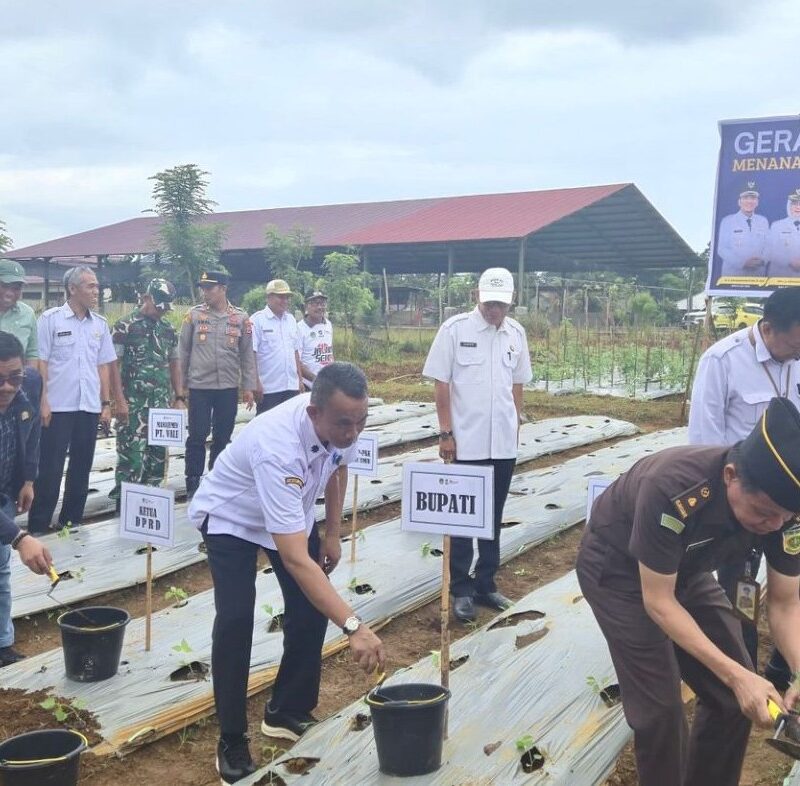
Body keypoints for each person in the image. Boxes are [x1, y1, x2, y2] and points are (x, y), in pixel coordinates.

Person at [577, 398, 800, 786]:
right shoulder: (673, 486)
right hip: (619, 573)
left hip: (686, 570)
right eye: (764, 512)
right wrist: (735, 675)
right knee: (661, 710)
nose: (774, 524)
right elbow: (659, 602)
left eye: (785, 516)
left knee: (736, 697)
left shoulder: (783, 513)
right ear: (731, 475)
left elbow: (785, 602)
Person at [188, 362, 385, 785]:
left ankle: (286, 710)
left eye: (360, 422)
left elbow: (337, 467)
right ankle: (232, 741)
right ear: (315, 414)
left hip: (289, 512)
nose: (352, 432)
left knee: (310, 608)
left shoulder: (342, 420)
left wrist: (333, 533)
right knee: (237, 619)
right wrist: (353, 626)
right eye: (344, 423)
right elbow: (296, 559)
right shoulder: (278, 446)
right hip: (232, 517)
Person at [689, 287, 800, 671]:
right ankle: (744, 671)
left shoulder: (799, 357)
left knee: (791, 590)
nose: (798, 353)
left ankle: (784, 671)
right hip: (746, 507)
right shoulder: (722, 360)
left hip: (792, 504)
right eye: (794, 344)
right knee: (740, 595)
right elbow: (703, 443)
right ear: (767, 328)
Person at [422, 267, 533, 623]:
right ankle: (461, 588)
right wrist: (445, 432)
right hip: (465, 443)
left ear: (511, 302)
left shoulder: (516, 334)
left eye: (501, 304)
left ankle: (485, 582)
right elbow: (441, 383)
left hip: (502, 444)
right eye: (489, 303)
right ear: (477, 296)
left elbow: (518, 384)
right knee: (462, 518)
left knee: (493, 516)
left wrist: (515, 422)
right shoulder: (455, 330)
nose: (494, 310)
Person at [28, 266, 116, 533]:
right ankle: (39, 525)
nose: (96, 292)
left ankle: (71, 522)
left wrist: (106, 404)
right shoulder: (51, 320)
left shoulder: (99, 324)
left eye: (97, 286)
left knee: (82, 465)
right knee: (50, 467)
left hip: (88, 406)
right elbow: (41, 362)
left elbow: (103, 366)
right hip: (58, 406)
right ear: (72, 289)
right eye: (90, 286)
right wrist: (42, 401)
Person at [178, 270, 257, 499]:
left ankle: (217, 477)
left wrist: (249, 387)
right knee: (197, 435)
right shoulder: (193, 316)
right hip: (199, 386)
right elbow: (182, 352)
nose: (205, 293)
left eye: (210, 288)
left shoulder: (241, 318)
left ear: (223, 288)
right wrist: (179, 389)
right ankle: (193, 481)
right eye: (203, 288)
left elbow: (247, 355)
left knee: (223, 435)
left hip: (228, 387)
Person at [0, 331, 52, 667]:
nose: (6, 387)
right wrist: (19, 537)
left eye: (13, 377)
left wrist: (29, 479)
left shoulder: (29, 384)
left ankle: (2, 644)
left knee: (0, 571)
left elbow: (32, 433)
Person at [109, 279, 184, 506]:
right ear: (147, 298)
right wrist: (118, 401)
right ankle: (125, 509)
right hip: (133, 406)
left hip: (160, 405)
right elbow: (113, 366)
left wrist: (179, 397)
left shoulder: (168, 329)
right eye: (159, 305)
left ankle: (149, 509)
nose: (162, 312)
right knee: (132, 459)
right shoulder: (125, 327)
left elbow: (174, 363)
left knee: (158, 459)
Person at [251, 279, 303, 413]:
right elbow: (251, 354)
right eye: (280, 297)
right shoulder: (257, 320)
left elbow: (295, 352)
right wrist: (255, 382)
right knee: (267, 428)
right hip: (269, 388)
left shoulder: (291, 320)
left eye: (287, 297)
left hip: (291, 386)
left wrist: (300, 380)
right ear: (268, 297)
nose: (285, 300)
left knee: (290, 427)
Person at [717, 182, 769, 277]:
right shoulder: (727, 221)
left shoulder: (763, 221)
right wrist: (742, 263)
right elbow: (722, 249)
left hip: (758, 276)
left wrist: (762, 260)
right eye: (745, 198)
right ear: (739, 201)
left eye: (753, 198)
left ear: (757, 202)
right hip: (733, 277)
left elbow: (768, 246)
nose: (749, 201)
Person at [0, 260, 38, 366]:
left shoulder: (28, 314)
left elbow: (32, 353)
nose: (10, 293)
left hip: (14, 380)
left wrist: (29, 379)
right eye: (5, 286)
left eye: (16, 288)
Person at [297, 291, 334, 390]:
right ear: (306, 306)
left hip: (328, 383)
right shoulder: (299, 328)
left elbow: (330, 353)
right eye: (315, 303)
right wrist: (317, 379)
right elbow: (297, 361)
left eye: (322, 303)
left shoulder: (328, 325)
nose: (319, 307)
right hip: (308, 385)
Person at [768, 189, 800, 278]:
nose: (798, 207)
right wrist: (789, 261)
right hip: (780, 277)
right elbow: (769, 250)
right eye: (794, 203)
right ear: (789, 205)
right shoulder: (776, 226)